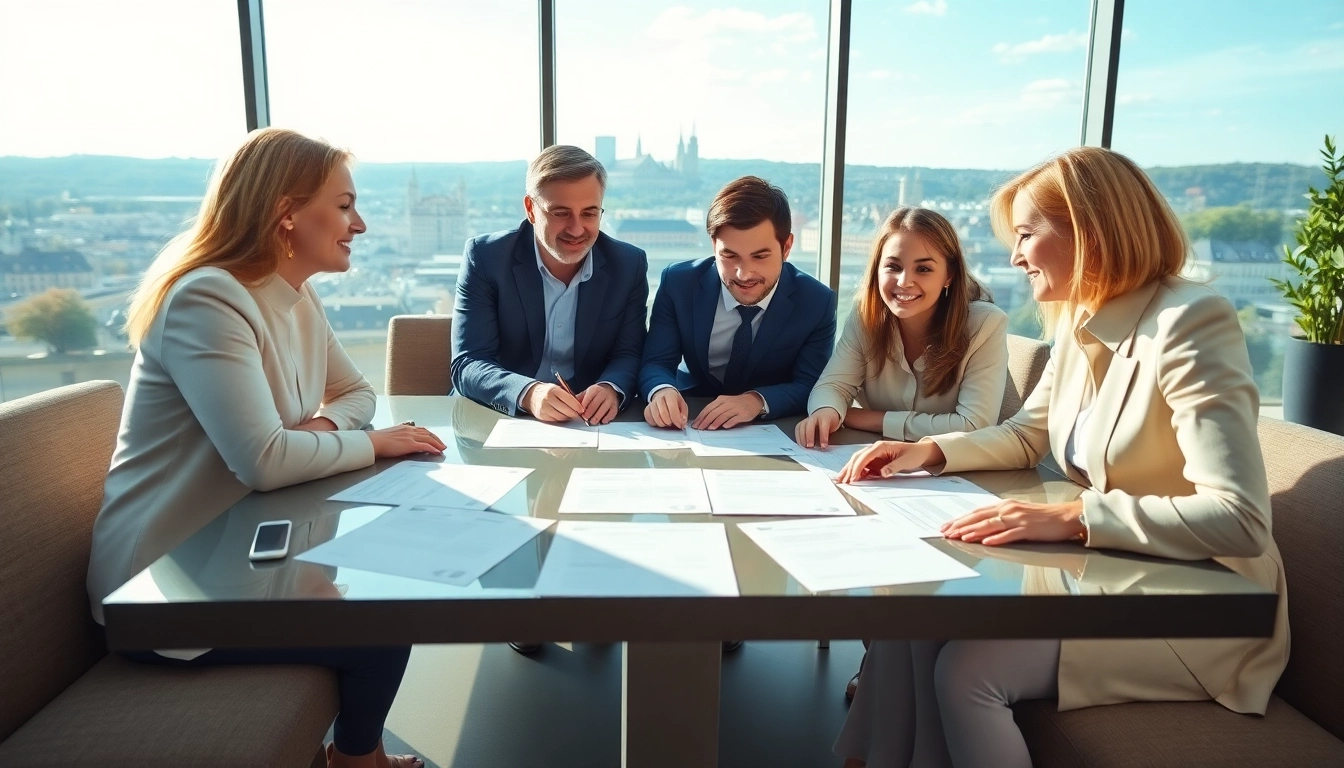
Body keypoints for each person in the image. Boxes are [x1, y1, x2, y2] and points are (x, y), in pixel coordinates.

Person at [832, 146, 1288, 768]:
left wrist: (1073, 517)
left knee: (968, 672)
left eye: (1025, 235)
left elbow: (1240, 518)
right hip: (1106, 574)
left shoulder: (1190, 321)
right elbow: (1026, 434)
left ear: (1089, 230)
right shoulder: (1079, 318)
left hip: (1201, 601)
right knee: (911, 623)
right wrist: (927, 450)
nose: (1015, 256)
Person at [87, 128, 445, 768]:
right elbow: (265, 462)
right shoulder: (208, 299)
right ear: (287, 214)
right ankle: (358, 762)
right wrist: (361, 442)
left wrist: (320, 432)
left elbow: (358, 393)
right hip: (163, 586)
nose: (358, 224)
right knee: (388, 621)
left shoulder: (296, 295)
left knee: (385, 595)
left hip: (237, 550)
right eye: (343, 205)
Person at [793, 206, 1008, 704]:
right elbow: (831, 387)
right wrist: (826, 411)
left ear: (950, 274)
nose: (904, 281)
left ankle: (889, 670)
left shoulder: (985, 324)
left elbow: (973, 427)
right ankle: (882, 661)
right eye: (893, 266)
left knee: (901, 556)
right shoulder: (866, 318)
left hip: (956, 481)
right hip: (884, 476)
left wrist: (871, 419)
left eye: (924, 268)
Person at [451, 144, 648, 425]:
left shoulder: (628, 265)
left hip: (586, 421)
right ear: (531, 209)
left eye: (589, 213)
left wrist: (611, 388)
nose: (577, 229)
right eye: (560, 213)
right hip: (498, 416)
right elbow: (468, 363)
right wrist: (528, 393)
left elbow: (629, 352)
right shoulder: (486, 258)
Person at [640, 176, 837, 430]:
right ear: (713, 245)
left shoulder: (816, 302)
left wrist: (756, 401)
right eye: (730, 256)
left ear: (786, 247)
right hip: (688, 414)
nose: (744, 274)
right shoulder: (678, 283)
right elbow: (656, 361)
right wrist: (661, 390)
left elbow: (811, 384)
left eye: (760, 256)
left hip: (770, 427)